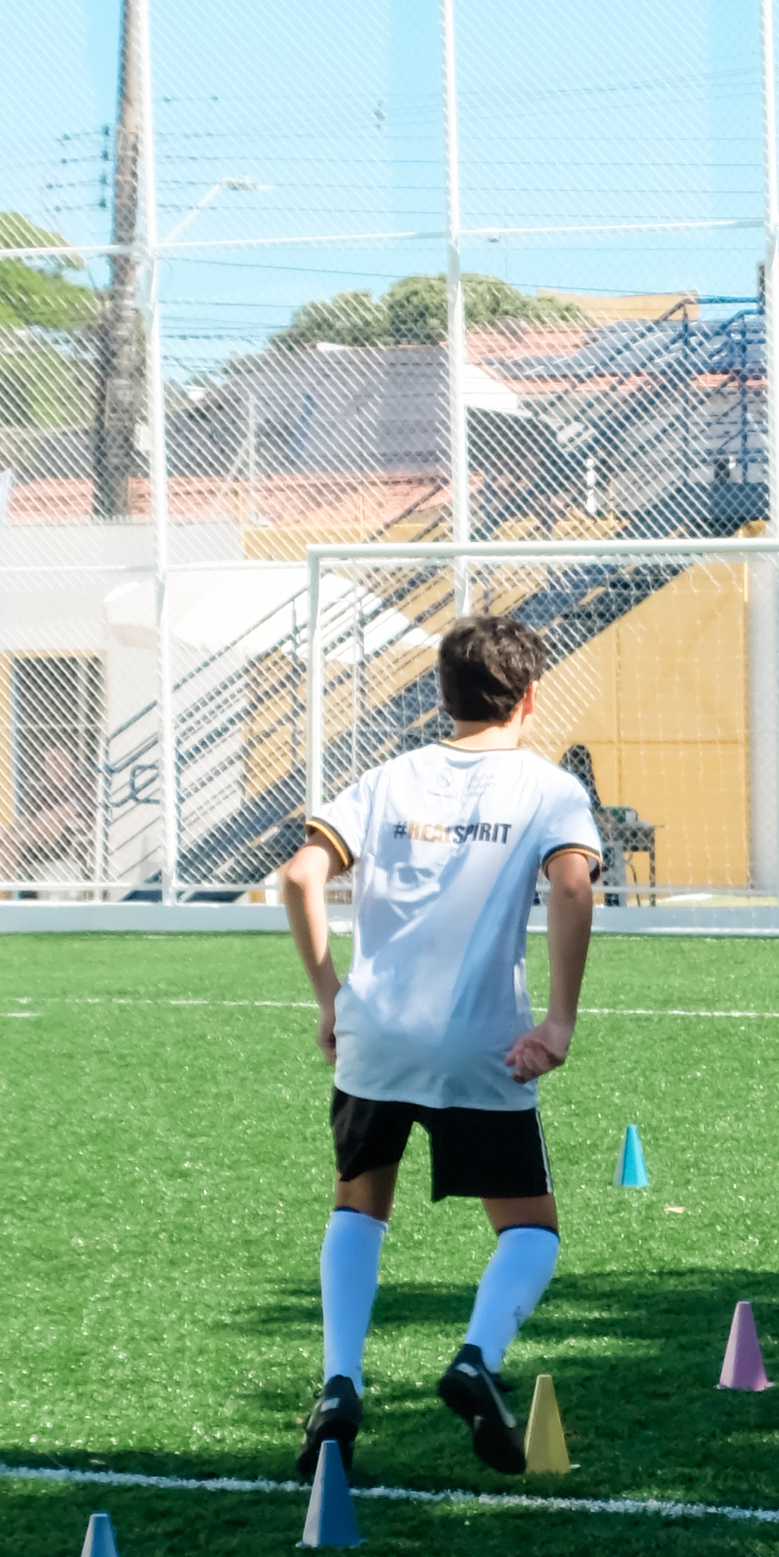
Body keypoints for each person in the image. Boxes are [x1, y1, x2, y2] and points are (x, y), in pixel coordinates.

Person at [277, 612, 604, 1482]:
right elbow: (574, 885)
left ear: (443, 696)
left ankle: (340, 1385)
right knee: (530, 1228)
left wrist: (330, 998)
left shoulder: (387, 780)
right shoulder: (548, 789)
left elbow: (301, 875)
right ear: (530, 697)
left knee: (358, 1207)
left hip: (377, 1033)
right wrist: (560, 1020)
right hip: (481, 1041)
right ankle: (474, 1359)